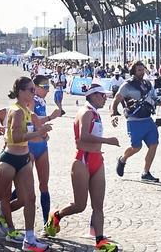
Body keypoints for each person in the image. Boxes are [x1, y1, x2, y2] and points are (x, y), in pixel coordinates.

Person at [0, 76, 50, 252]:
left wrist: (41, 134)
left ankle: (29, 239)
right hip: (9, 159)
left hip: (23, 159)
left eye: (34, 89)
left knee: (29, 198)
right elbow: (14, 138)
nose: (34, 92)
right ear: (21, 92)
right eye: (30, 89)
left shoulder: (28, 111)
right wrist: (38, 133)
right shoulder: (16, 111)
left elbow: (27, 135)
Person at [46, 84, 119, 251]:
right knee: (80, 205)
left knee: (98, 205)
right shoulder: (85, 112)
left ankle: (100, 241)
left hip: (96, 159)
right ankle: (56, 215)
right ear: (93, 96)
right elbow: (82, 138)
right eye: (102, 95)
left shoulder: (95, 113)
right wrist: (107, 140)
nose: (104, 98)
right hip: (82, 160)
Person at [110, 61, 161, 182]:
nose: (141, 72)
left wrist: (160, 100)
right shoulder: (127, 85)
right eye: (139, 70)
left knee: (154, 144)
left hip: (148, 120)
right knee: (136, 147)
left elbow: (153, 99)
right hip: (134, 121)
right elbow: (116, 100)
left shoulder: (148, 84)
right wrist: (113, 114)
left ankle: (146, 172)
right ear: (133, 71)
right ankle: (122, 159)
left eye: (142, 70)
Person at [29, 75, 61, 236]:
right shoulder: (31, 100)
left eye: (49, 86)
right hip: (29, 146)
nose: (48, 90)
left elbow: (39, 125)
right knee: (25, 186)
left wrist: (44, 133)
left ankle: (46, 225)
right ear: (35, 86)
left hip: (41, 145)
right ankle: (1, 207)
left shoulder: (41, 101)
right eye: (45, 86)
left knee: (44, 185)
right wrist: (50, 118)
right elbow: (31, 121)